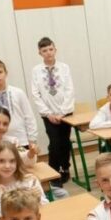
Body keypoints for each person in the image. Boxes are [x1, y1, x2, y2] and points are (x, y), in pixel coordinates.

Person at [30, 37, 75, 185]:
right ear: (40, 53)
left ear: (55, 50)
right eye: (44, 50)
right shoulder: (36, 71)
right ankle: (54, 172)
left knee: (65, 142)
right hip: (48, 115)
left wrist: (62, 112)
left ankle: (65, 168)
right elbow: (35, 94)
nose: (48, 53)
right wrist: (48, 113)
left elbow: (69, 90)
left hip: (65, 113)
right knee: (54, 143)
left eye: (50, 49)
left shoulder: (64, 68)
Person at [0, 59, 38, 148]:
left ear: (6, 73)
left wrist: (32, 139)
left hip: (21, 140)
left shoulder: (18, 93)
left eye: (0, 72)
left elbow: (29, 117)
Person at [0, 141, 49, 217]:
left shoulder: (30, 181)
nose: (7, 166)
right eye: (1, 161)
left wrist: (38, 199)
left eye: (12, 161)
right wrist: (5, 201)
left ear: (17, 162)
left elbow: (45, 207)